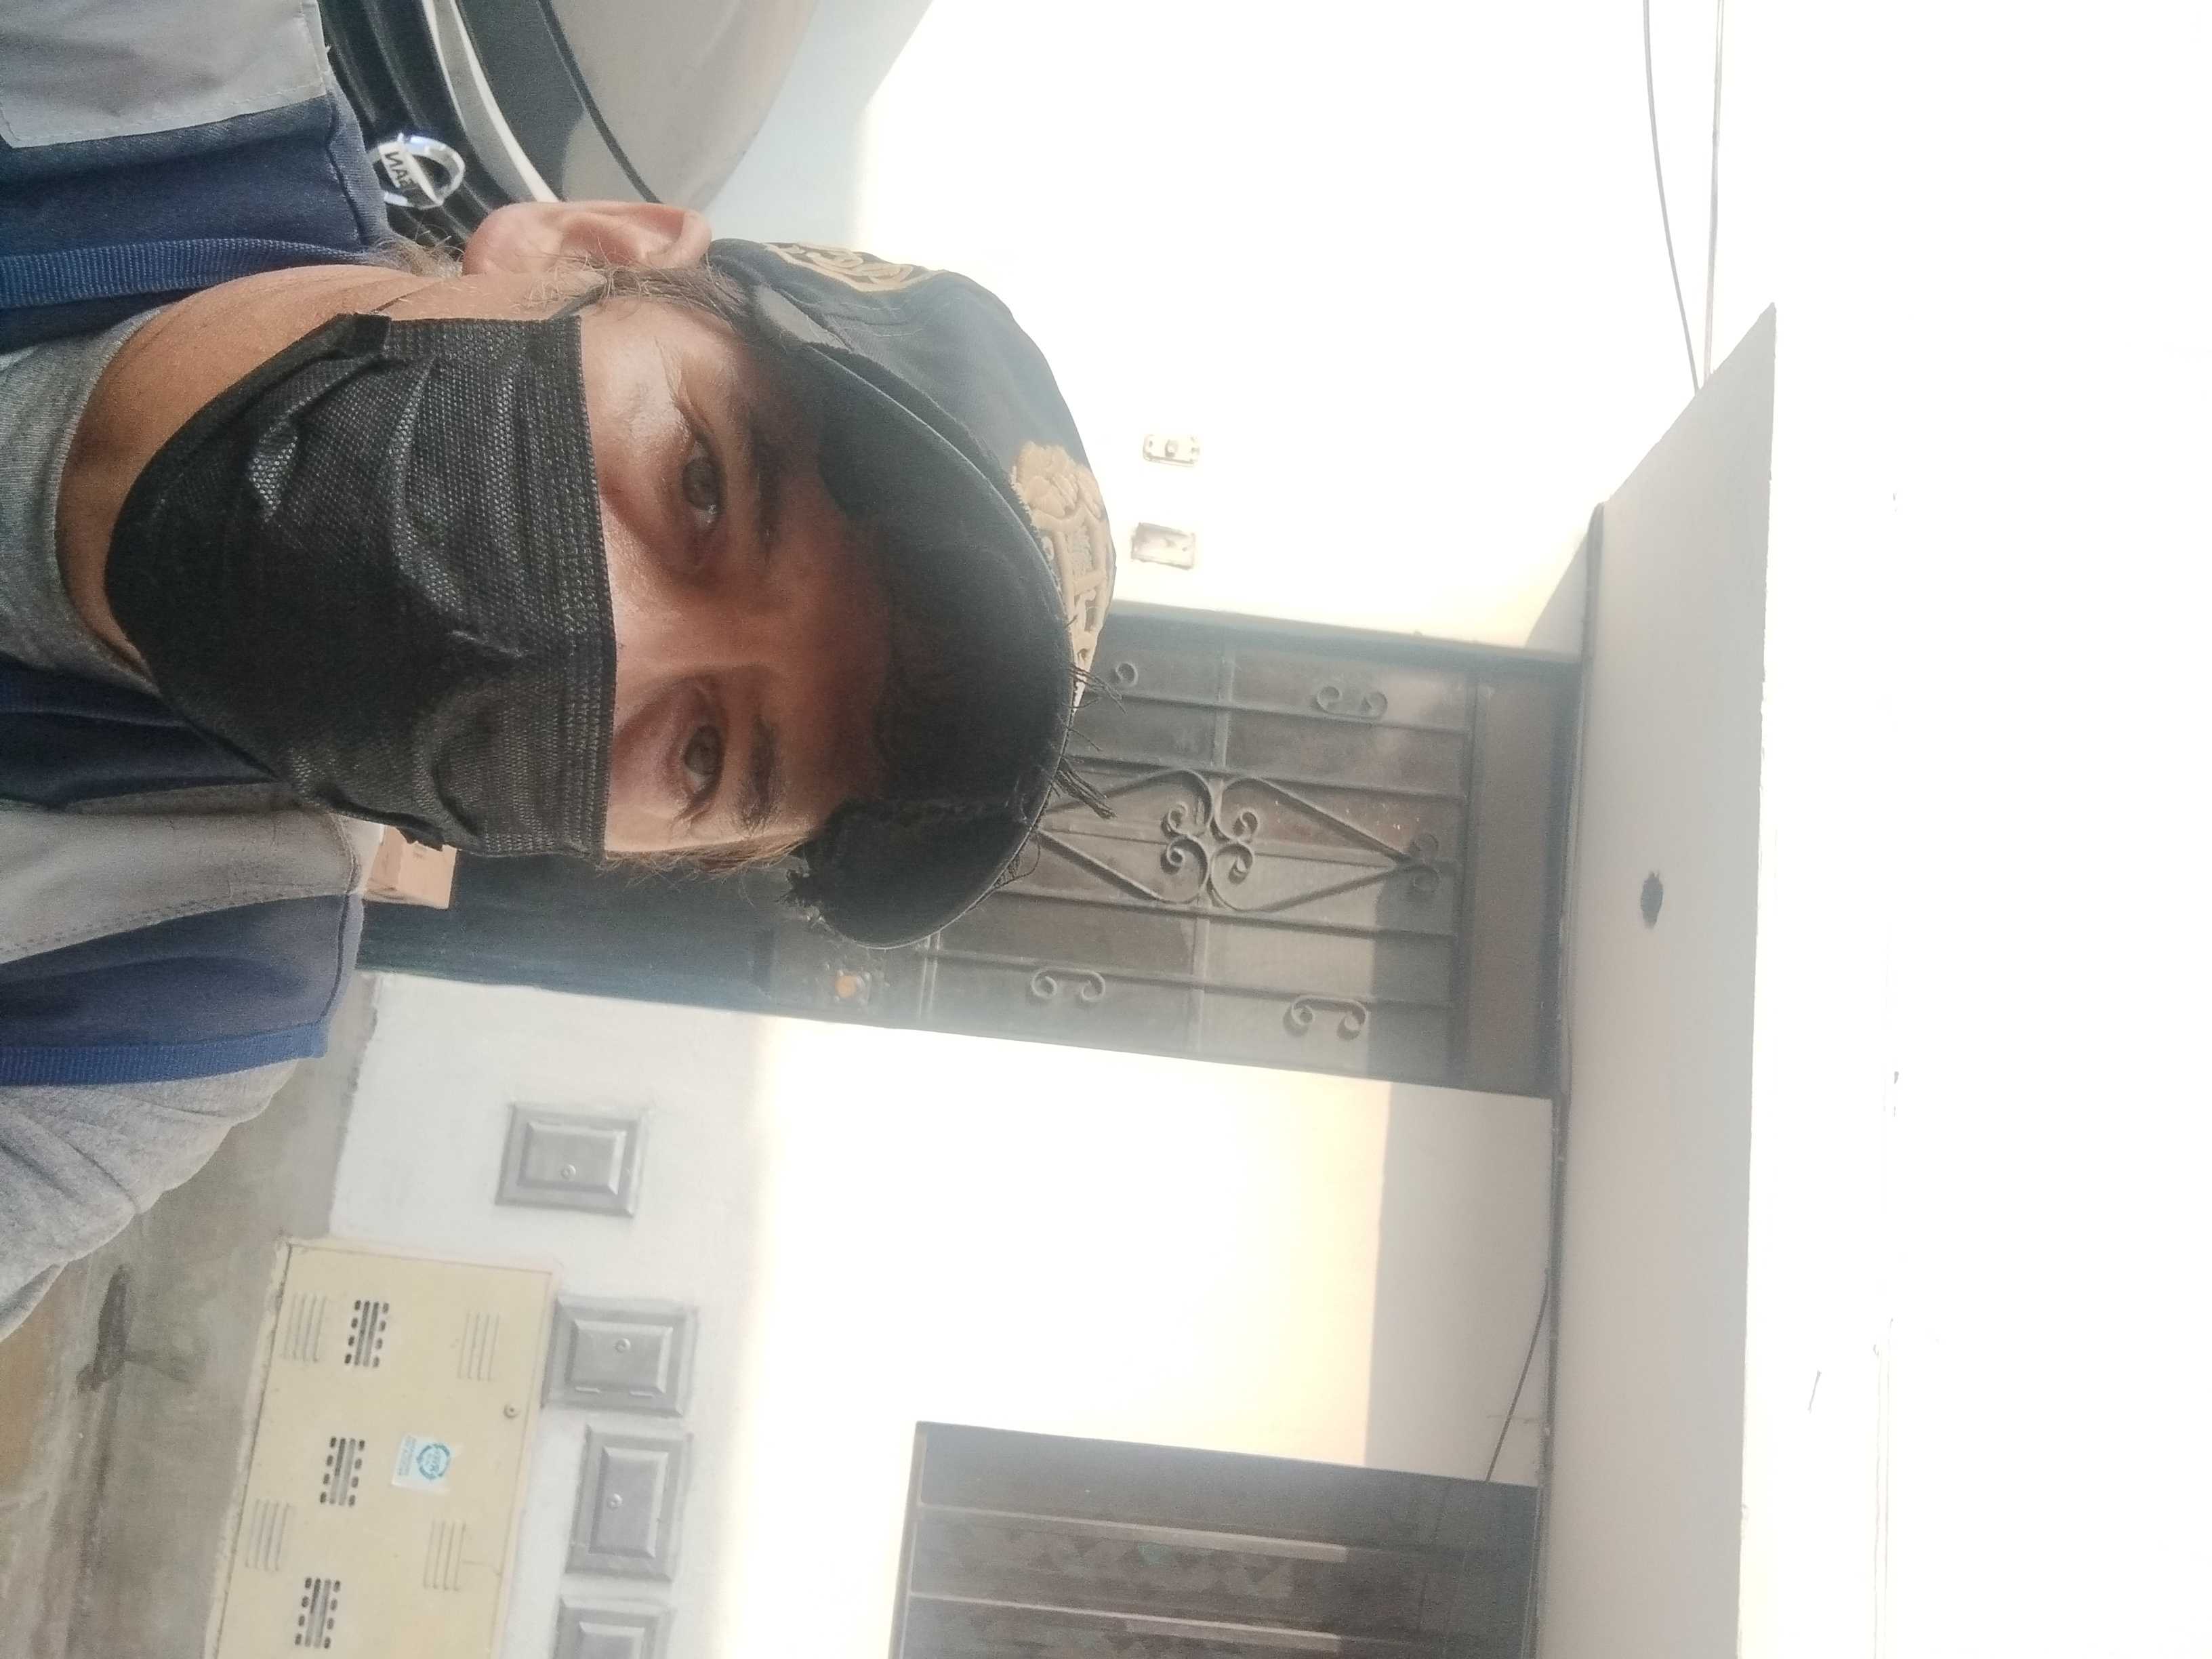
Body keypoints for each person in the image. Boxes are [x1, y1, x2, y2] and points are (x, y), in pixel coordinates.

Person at [0, 3, 1115, 1336]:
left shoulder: (163, 996)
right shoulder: (142, 60)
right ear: (584, 247)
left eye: (704, 754)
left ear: (629, 855)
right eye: (699, 484)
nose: (619, 642)